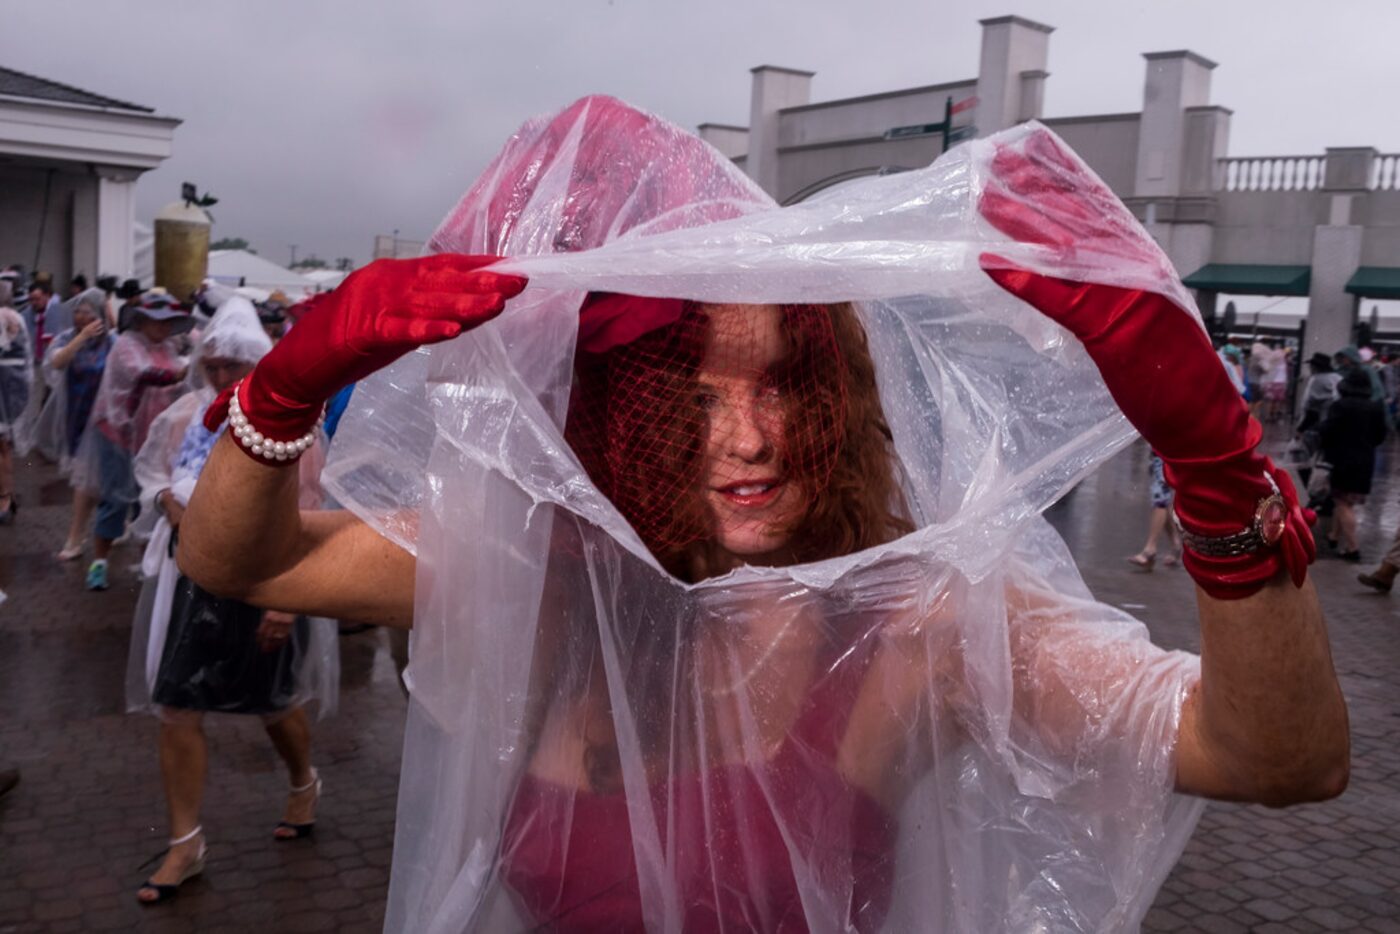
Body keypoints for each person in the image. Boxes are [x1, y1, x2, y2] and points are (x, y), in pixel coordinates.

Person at [179, 100, 1347, 932]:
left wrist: (1217, 467)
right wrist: (278, 395)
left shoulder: (910, 623)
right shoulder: (564, 576)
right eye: (690, 399)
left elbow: (1272, 759)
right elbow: (244, 560)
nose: (747, 439)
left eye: (783, 378)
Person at [127, 296, 337, 904]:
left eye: (231, 366)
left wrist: (285, 603)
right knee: (177, 703)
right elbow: (155, 474)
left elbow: (308, 509)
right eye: (212, 365)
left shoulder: (288, 423)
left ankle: (303, 782)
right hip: (189, 579)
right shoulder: (184, 414)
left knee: (271, 700)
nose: (219, 377)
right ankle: (184, 842)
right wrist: (167, 501)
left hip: (261, 579)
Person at [84, 289, 192, 590]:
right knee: (116, 498)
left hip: (153, 436)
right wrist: (182, 372)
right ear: (142, 321)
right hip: (118, 434)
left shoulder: (170, 347)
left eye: (169, 321)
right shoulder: (126, 345)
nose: (164, 327)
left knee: (153, 499)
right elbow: (141, 372)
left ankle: (150, 566)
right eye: (158, 321)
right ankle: (99, 564)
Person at [16, 288, 118, 558]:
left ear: (99, 315)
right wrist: (81, 339)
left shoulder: (113, 342)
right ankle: (77, 537)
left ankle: (104, 528)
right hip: (77, 419)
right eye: (77, 311)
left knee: (106, 477)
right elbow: (56, 362)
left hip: (108, 422)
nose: (80, 316)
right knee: (85, 480)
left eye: (87, 312)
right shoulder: (67, 338)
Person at [1319, 367, 1388, 561]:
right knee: (1345, 501)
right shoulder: (1375, 407)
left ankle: (1352, 548)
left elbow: (1328, 430)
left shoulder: (1340, 405)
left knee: (1342, 503)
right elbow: (1380, 435)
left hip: (1341, 459)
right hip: (1365, 459)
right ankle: (1334, 536)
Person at [0, 280, 31, 523]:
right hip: (14, 389)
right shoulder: (18, 319)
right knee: (4, 446)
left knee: (2, 447)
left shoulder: (6, 319)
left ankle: (4, 498)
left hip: (5, 389)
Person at [1127, 453, 1181, 570]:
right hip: (1163, 454)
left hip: (1166, 454)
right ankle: (1175, 543)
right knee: (1163, 500)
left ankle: (1150, 549)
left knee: (1160, 499)